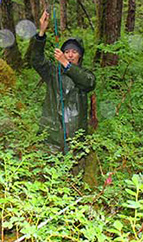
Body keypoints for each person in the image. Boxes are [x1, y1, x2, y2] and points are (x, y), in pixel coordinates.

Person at [30, 10, 96, 151]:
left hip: (75, 137)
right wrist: (41, 32)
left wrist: (67, 65)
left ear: (80, 55)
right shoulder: (52, 72)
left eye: (74, 52)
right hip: (53, 136)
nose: (70, 55)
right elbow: (36, 60)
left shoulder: (84, 74)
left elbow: (89, 83)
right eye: (67, 52)